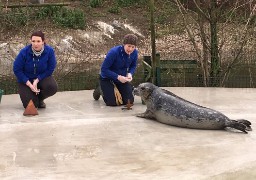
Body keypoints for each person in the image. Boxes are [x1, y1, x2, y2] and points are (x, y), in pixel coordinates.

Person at [13, 31, 58, 108]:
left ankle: (39, 99)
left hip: (41, 78)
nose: (35, 44)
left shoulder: (49, 51)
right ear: (31, 41)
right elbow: (17, 69)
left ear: (43, 41)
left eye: (38, 41)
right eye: (33, 41)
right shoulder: (24, 52)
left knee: (52, 87)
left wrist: (37, 80)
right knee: (30, 106)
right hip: (26, 81)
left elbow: (51, 68)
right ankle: (34, 100)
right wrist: (29, 84)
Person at [96, 34, 138, 106]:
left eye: (133, 47)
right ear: (124, 44)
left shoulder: (135, 53)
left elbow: (133, 65)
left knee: (129, 101)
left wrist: (130, 73)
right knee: (112, 102)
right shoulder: (114, 52)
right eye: (128, 46)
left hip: (121, 78)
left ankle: (118, 89)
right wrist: (118, 77)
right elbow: (104, 69)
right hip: (107, 78)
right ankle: (100, 89)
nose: (130, 49)